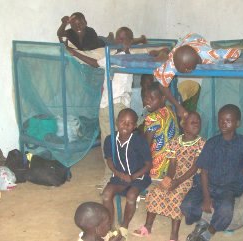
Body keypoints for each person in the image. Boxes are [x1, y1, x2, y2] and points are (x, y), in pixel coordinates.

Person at [66, 27, 136, 190]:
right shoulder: (111, 56)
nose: (120, 41)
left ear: (130, 41)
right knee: (108, 142)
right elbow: (95, 63)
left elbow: (96, 62)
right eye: (118, 38)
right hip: (105, 104)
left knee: (120, 142)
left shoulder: (127, 57)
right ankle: (109, 176)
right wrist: (74, 53)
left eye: (124, 38)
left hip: (118, 105)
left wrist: (74, 52)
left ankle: (123, 176)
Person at [180, 104, 243, 241]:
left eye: (228, 120)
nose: (223, 123)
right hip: (207, 184)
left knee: (226, 210)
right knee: (186, 206)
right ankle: (202, 222)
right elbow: (204, 172)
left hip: (228, 186)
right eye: (220, 120)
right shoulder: (212, 143)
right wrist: (207, 198)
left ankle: (209, 232)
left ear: (237, 123)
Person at [133, 112, 206, 241]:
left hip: (191, 179)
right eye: (192, 122)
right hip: (176, 176)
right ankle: (147, 226)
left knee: (176, 198)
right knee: (155, 192)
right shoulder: (174, 143)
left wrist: (178, 182)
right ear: (183, 125)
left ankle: (174, 235)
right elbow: (172, 165)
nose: (196, 124)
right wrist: (169, 178)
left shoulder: (201, 143)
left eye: (198, 122)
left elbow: (194, 167)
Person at [153, 33, 241, 119]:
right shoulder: (173, 62)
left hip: (198, 40)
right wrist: (178, 106)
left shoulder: (210, 55)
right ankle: (164, 51)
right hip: (184, 41)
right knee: (165, 58)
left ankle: (164, 51)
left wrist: (229, 61)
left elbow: (236, 52)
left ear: (189, 70)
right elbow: (162, 86)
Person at [101, 108, 152, 241]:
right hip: (119, 175)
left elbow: (148, 165)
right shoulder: (110, 139)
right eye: (123, 121)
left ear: (135, 126)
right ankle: (110, 228)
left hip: (139, 176)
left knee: (131, 195)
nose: (126, 125)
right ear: (117, 122)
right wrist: (118, 173)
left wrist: (132, 177)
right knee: (106, 194)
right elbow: (109, 161)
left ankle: (124, 227)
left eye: (130, 123)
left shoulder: (139, 141)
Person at [142, 82, 180, 179]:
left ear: (163, 98)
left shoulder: (152, 118)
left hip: (157, 167)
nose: (147, 101)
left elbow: (146, 146)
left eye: (152, 98)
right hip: (173, 163)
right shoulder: (170, 111)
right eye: (146, 97)